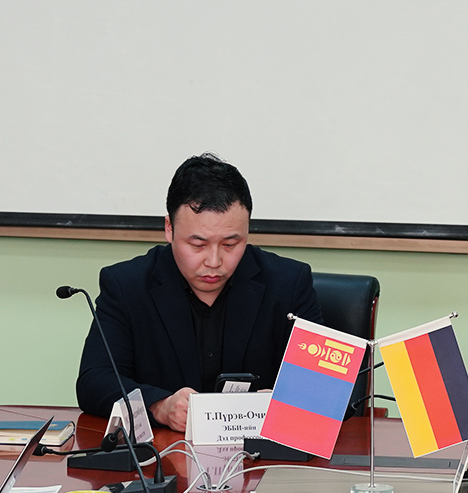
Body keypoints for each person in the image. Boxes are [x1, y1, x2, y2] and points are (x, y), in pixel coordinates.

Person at [75, 153, 322, 433]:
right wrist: (160, 406)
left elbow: (327, 385)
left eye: (230, 244)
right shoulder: (126, 286)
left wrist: (285, 402)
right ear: (169, 229)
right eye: (198, 245)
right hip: (165, 452)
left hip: (259, 453)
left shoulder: (289, 283)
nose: (214, 262)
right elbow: (94, 381)